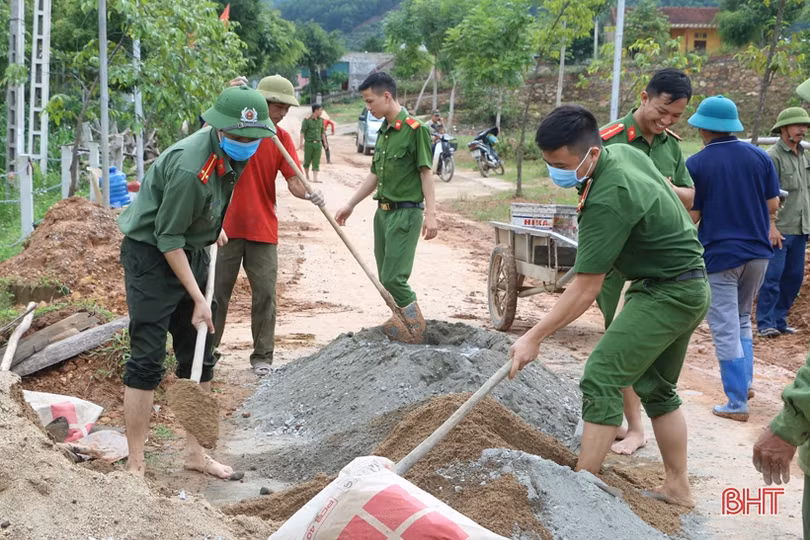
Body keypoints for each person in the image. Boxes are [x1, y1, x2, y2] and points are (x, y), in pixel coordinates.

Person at [510, 104, 709, 507]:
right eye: (549, 163)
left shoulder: (607, 196)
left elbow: (585, 289)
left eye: (562, 164)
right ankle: (677, 488)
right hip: (685, 283)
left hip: (668, 292)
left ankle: (581, 490)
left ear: (591, 152)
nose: (556, 173)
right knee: (656, 387)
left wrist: (533, 337)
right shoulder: (623, 153)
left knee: (601, 373)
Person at [117, 86, 275, 477]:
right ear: (219, 129)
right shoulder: (191, 166)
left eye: (252, 138)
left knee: (200, 356)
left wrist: (209, 226)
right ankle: (136, 465)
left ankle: (195, 454)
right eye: (238, 137)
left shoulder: (233, 154)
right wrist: (198, 297)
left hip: (191, 248)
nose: (246, 144)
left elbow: (210, 201)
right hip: (153, 256)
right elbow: (167, 237)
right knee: (147, 359)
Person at [597, 67, 695, 455]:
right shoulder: (608, 140)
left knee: (643, 350)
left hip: (663, 267)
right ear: (644, 96)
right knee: (619, 345)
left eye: (676, 116)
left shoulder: (670, 146)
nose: (667, 121)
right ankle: (633, 427)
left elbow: (691, 195)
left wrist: (668, 189)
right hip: (620, 263)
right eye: (663, 111)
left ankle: (638, 425)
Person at [212, 75, 325, 377]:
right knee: (216, 293)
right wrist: (227, 94)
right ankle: (207, 352)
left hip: (262, 228)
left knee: (265, 294)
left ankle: (263, 355)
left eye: (287, 106)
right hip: (222, 229)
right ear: (261, 102)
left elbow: (293, 181)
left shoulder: (280, 138)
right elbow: (206, 134)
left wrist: (309, 191)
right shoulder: (228, 129)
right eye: (278, 105)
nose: (283, 111)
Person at [685, 95, 781, 422]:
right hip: (758, 254)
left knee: (725, 327)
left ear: (703, 128)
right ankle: (746, 382)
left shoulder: (696, 164)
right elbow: (772, 206)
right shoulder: (760, 157)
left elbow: (694, 214)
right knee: (742, 320)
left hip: (721, 256)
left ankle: (737, 401)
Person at [335, 72, 438, 340]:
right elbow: (375, 176)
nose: (368, 108)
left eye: (370, 101)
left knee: (395, 278)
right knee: (385, 278)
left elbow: (426, 173)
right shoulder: (383, 132)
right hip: (383, 214)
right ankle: (402, 322)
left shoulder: (416, 130)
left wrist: (431, 215)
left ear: (387, 96)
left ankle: (416, 329)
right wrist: (350, 204)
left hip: (406, 213)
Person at [756, 107, 810, 337]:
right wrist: (771, 226)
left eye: (805, 126)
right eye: (798, 125)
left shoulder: (805, 156)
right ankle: (765, 322)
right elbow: (765, 196)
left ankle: (779, 319)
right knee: (772, 277)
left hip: (801, 227)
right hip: (780, 228)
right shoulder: (772, 157)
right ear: (783, 129)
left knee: (794, 277)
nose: (802, 130)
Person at [299, 104, 325, 183]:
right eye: (320, 110)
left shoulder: (321, 120)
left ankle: (315, 178)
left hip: (318, 143)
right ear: (316, 110)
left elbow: (322, 132)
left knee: (316, 160)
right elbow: (302, 131)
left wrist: (325, 143)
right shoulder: (307, 120)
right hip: (309, 143)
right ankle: (307, 176)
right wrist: (301, 143)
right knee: (307, 160)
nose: (321, 112)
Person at [428, 110, 446, 174]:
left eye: (438, 116)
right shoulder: (427, 124)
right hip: (431, 142)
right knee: (432, 148)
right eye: (436, 116)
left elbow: (443, 132)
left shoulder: (439, 124)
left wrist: (441, 124)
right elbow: (425, 135)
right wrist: (434, 138)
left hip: (439, 142)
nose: (437, 118)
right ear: (432, 116)